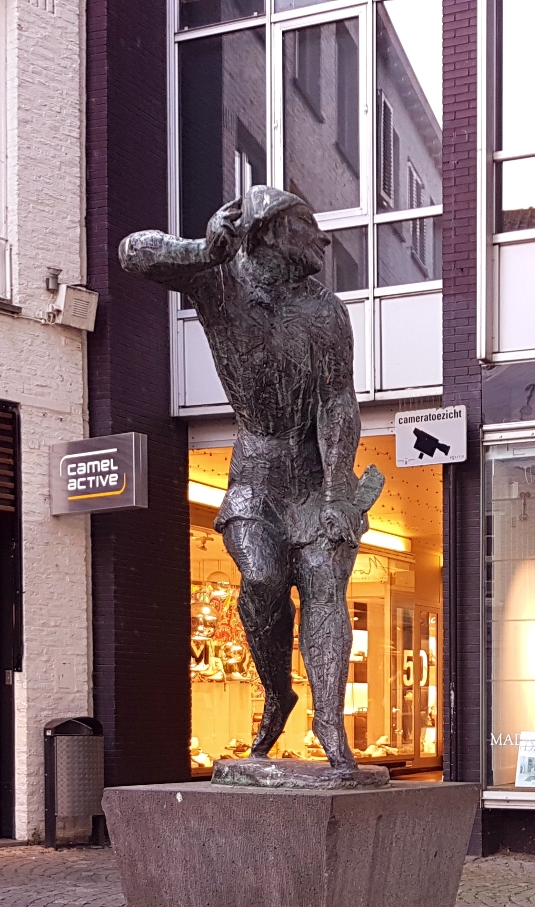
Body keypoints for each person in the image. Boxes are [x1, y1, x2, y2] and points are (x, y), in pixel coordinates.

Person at [118, 186, 384, 775]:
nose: (323, 238)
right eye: (309, 226)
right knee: (262, 578)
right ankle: (277, 692)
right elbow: (133, 253)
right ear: (270, 233)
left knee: (323, 585)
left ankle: (330, 724)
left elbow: (338, 402)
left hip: (315, 476)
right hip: (257, 471)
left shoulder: (325, 310)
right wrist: (204, 251)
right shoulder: (218, 280)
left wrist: (339, 493)